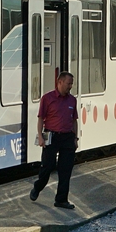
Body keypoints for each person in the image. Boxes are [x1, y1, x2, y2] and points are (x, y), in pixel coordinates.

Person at [30, 71, 79, 209]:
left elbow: (74, 120)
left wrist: (75, 138)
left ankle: (61, 200)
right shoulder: (47, 98)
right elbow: (41, 119)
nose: (70, 86)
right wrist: (40, 136)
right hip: (51, 136)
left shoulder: (72, 100)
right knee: (48, 166)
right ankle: (37, 187)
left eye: (71, 84)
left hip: (68, 137)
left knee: (66, 169)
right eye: (69, 83)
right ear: (60, 82)